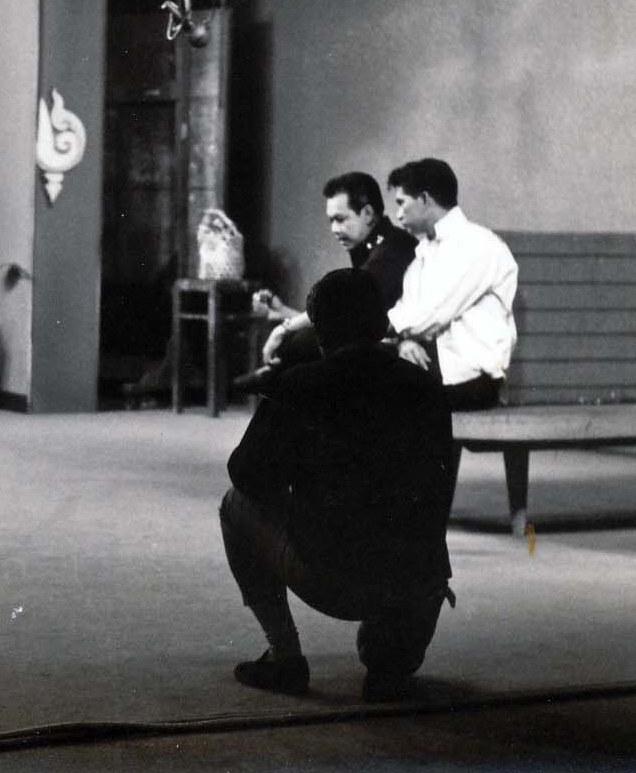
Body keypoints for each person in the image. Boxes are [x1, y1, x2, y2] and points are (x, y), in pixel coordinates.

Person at [220, 268, 457, 702]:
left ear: (319, 331)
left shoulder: (301, 385)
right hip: (416, 586)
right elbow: (438, 496)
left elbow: (246, 475)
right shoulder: (426, 388)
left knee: (234, 505)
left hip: (333, 579)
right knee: (387, 655)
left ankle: (284, 656)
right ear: (382, 325)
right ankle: (390, 663)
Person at [384, 158, 518, 411]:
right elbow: (406, 312)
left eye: (401, 203)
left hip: (472, 379)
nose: (398, 214)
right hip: (435, 366)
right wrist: (404, 342)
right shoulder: (424, 253)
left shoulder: (477, 245)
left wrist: (370, 325)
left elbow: (431, 314)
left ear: (424, 199)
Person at [254, 171, 418, 369]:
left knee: (299, 345)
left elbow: (343, 308)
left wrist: (284, 328)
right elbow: (337, 320)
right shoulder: (374, 246)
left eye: (340, 219)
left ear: (367, 213)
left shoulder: (392, 249)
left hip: (407, 353)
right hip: (382, 349)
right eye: (331, 220)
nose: (334, 229)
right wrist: (284, 313)